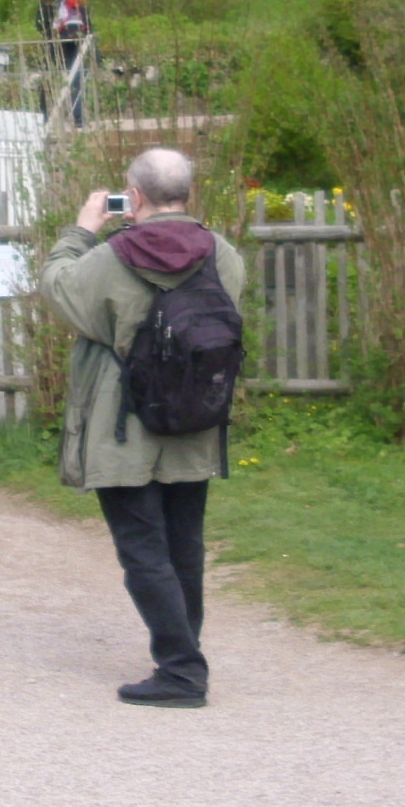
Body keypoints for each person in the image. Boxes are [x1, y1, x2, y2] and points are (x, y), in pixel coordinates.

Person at [39, 146, 245, 707]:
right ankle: (184, 647)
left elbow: (59, 288)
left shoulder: (110, 257)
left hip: (121, 420)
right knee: (184, 543)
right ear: (188, 194)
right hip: (194, 416)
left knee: (142, 547)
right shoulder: (223, 255)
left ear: (132, 197)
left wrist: (81, 230)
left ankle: (181, 672)